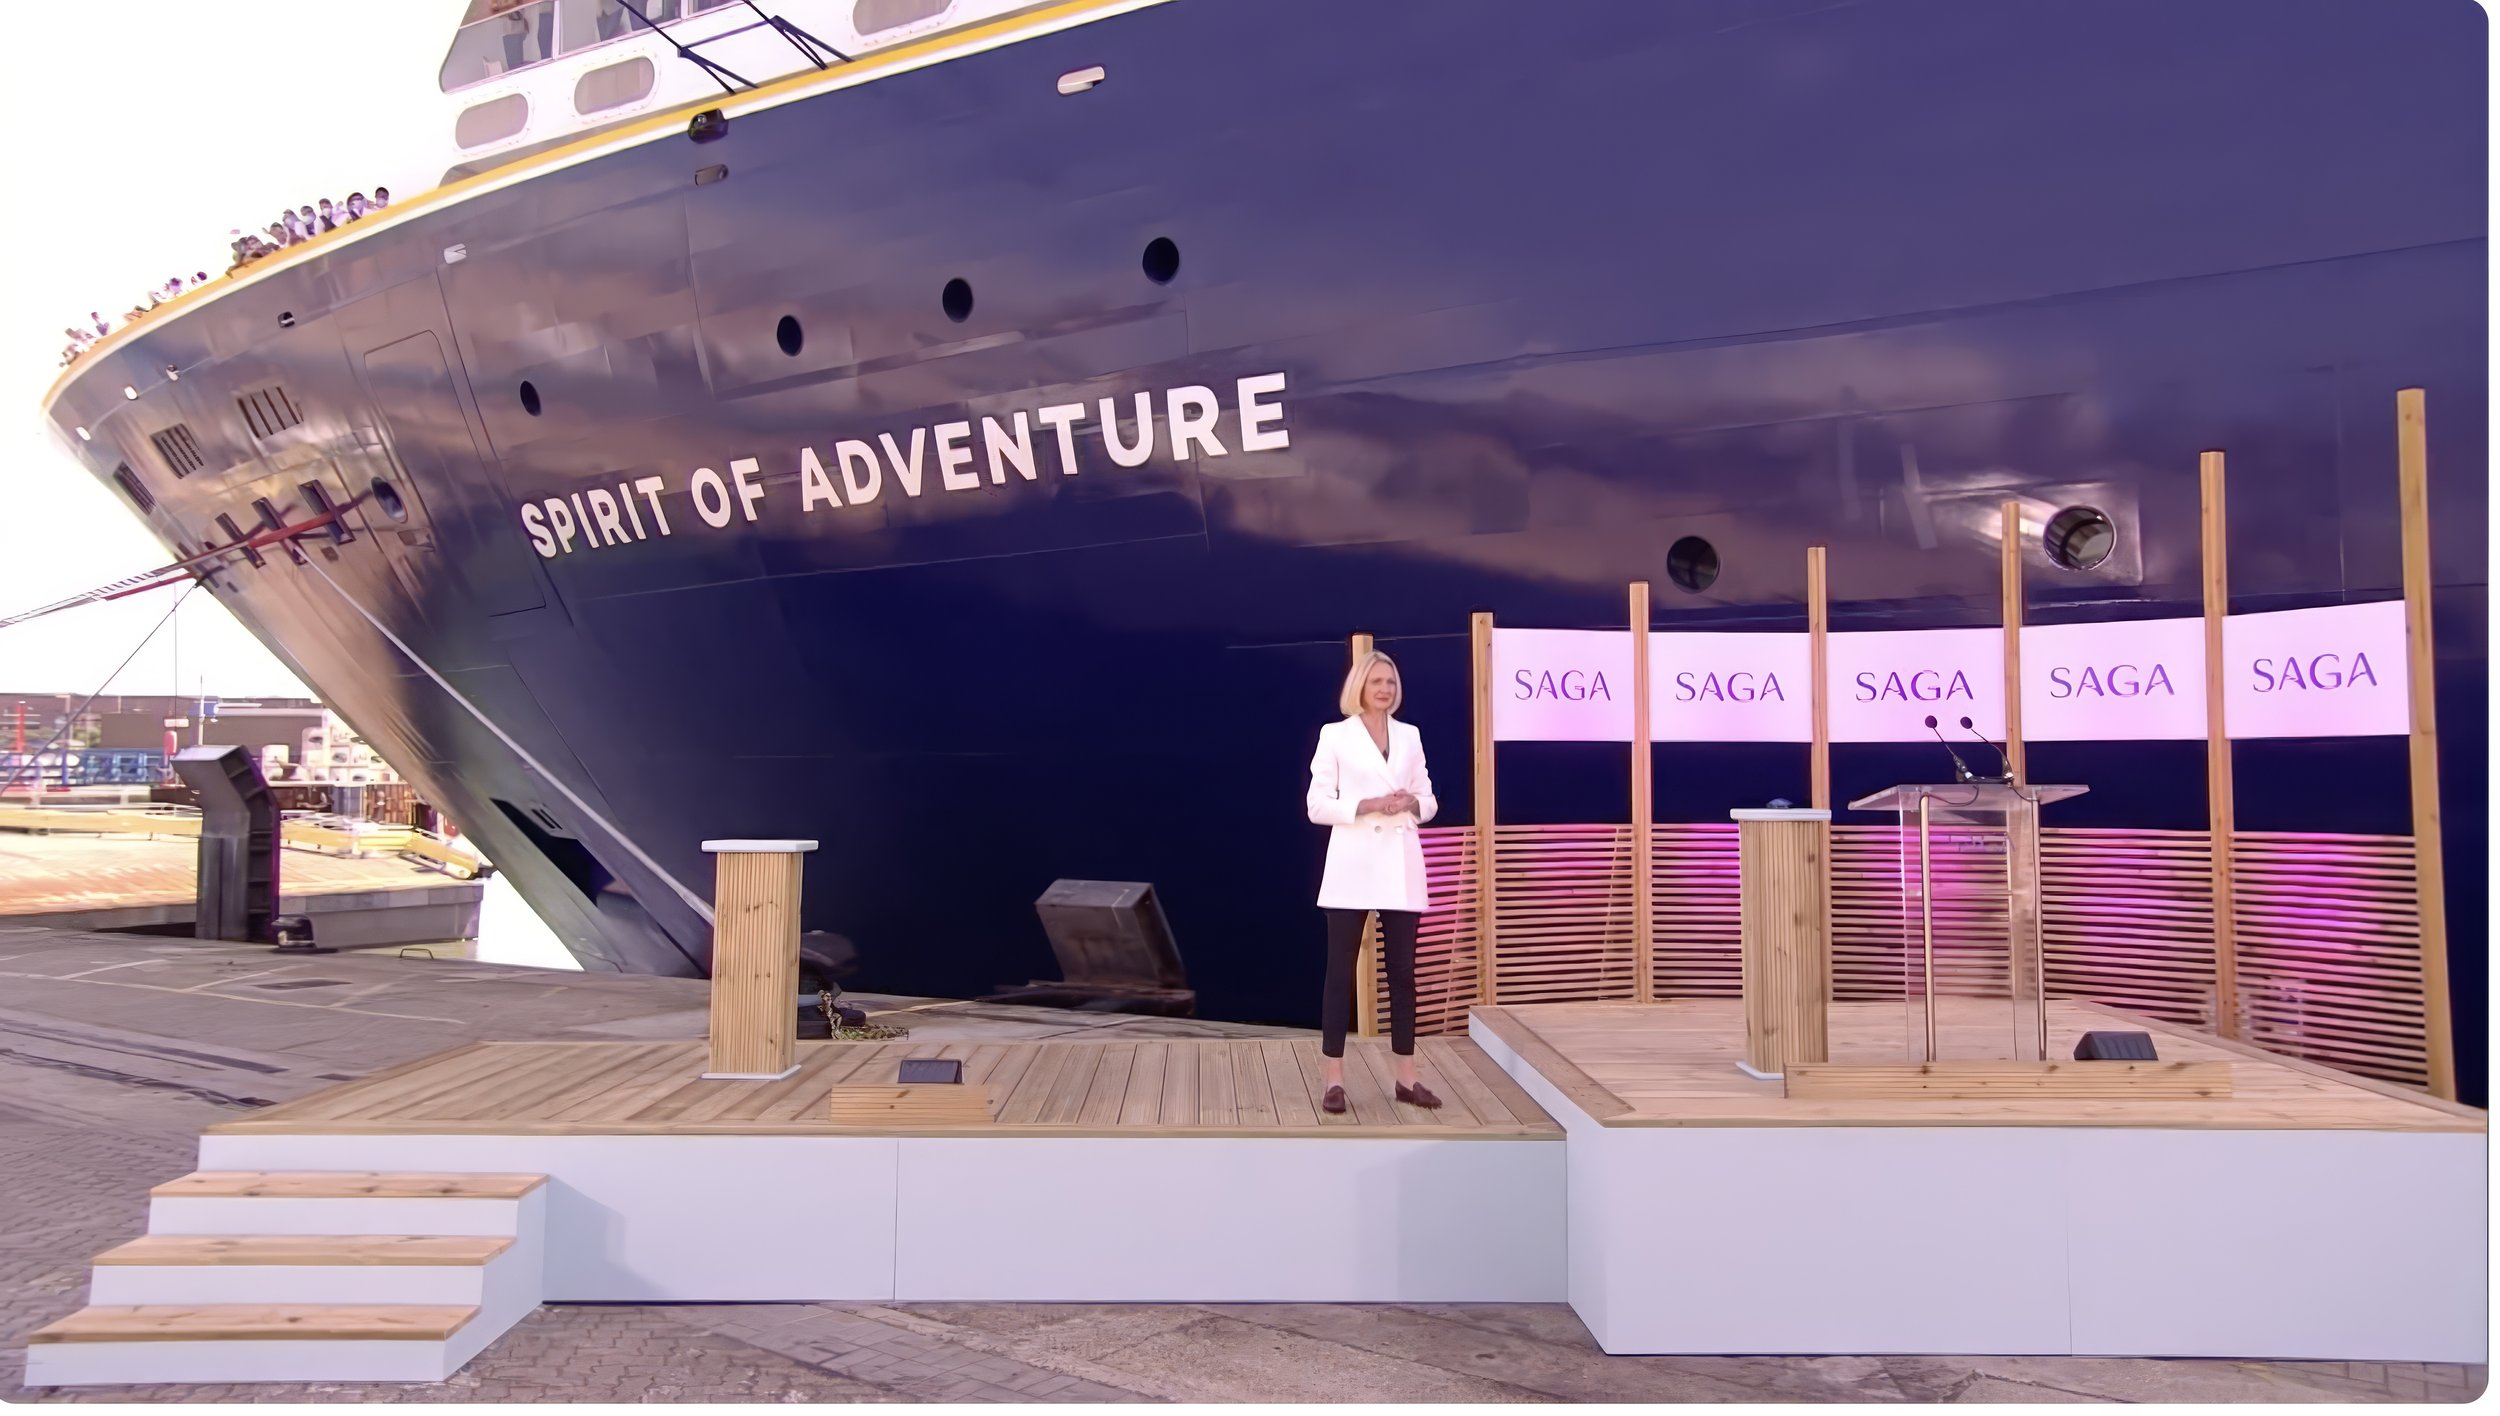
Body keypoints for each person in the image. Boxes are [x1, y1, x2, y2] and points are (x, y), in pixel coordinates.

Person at [1304, 649, 1441, 1113]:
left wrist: (1409, 803)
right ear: (1360, 686)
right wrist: (1366, 805)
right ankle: (1333, 1080)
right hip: (1353, 864)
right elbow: (1317, 806)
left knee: (1402, 974)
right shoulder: (1335, 736)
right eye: (1377, 681)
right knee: (1339, 972)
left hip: (1399, 865)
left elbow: (1429, 799)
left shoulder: (1410, 736)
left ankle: (1406, 1077)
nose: (1385, 689)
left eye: (1391, 682)